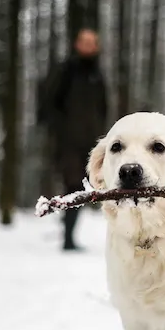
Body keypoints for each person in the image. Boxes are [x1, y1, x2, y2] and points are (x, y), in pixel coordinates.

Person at [41, 28, 110, 251]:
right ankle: (68, 239)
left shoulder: (98, 75)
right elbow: (48, 104)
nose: (88, 46)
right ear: (76, 44)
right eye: (84, 41)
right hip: (68, 142)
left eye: (92, 42)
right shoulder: (65, 71)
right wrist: (60, 132)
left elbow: (103, 108)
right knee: (72, 186)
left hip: (92, 144)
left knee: (86, 187)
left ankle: (70, 234)